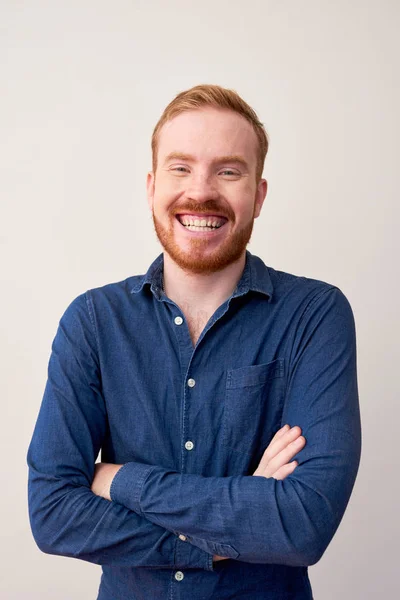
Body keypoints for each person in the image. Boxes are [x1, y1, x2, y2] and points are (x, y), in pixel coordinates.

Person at [27, 84, 362, 600]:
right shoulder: (93, 322)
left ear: (259, 194)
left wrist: (119, 481)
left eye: (228, 170)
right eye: (181, 168)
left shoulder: (315, 316)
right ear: (151, 186)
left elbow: (302, 524)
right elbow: (52, 512)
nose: (200, 191)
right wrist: (230, 531)